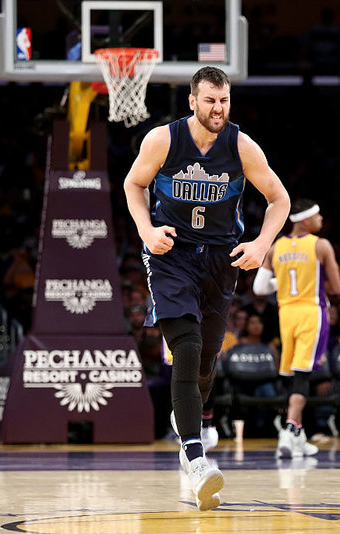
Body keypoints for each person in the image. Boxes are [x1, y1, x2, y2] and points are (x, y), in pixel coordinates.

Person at [124, 66, 290, 511]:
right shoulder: (163, 139)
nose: (218, 109)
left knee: (206, 364)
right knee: (189, 346)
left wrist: (261, 244)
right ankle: (196, 457)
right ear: (193, 102)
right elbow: (133, 184)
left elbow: (280, 198)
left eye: (225, 100)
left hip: (221, 260)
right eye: (210, 100)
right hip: (171, 255)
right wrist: (146, 230)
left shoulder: (240, 145)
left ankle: (191, 432)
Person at [253, 198, 340, 458]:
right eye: (318, 216)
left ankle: (299, 433)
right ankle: (289, 429)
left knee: (291, 375)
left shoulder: (275, 248)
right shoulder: (321, 245)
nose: (321, 220)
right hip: (311, 313)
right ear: (305, 219)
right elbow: (337, 289)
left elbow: (259, 289)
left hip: (286, 314)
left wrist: (281, 281)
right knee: (303, 376)